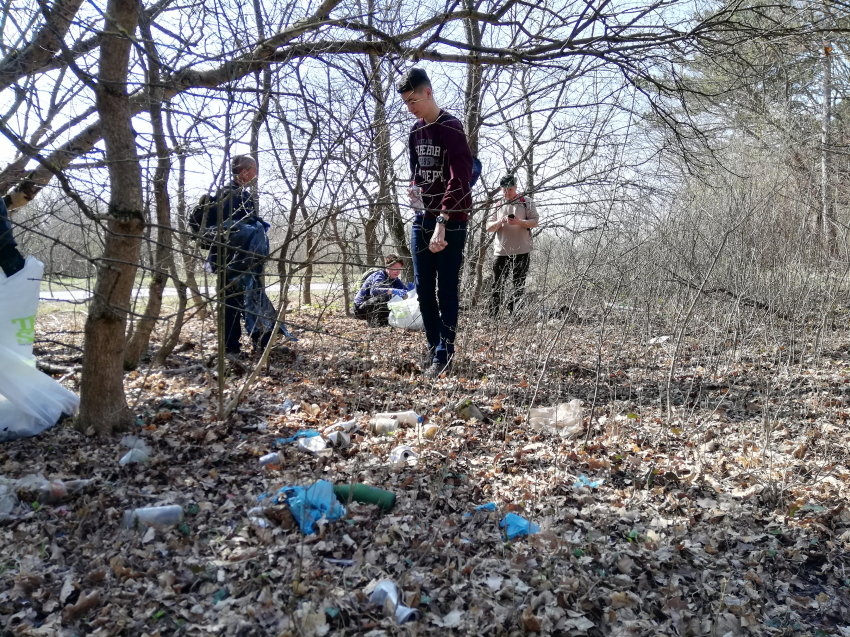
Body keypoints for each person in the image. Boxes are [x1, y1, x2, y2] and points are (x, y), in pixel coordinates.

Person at [397, 67, 473, 378]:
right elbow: (417, 173)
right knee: (424, 290)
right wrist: (415, 197)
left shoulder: (451, 128)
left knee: (447, 290)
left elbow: (460, 179)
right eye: (406, 103)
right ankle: (434, 350)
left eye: (414, 100)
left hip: (451, 222)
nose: (411, 108)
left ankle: (446, 353)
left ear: (428, 93)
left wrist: (442, 219)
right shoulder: (415, 133)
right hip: (422, 219)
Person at [190, 155, 292, 357]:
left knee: (250, 300)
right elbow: (234, 231)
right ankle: (232, 350)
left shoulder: (236, 195)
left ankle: (256, 344)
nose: (255, 174)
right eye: (254, 169)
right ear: (244, 172)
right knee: (232, 305)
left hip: (241, 262)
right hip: (234, 262)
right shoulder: (232, 196)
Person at [486, 173, 538, 317]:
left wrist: (519, 222)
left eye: (509, 189)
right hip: (500, 252)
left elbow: (534, 222)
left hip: (522, 251)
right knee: (497, 285)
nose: (507, 192)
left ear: (515, 187)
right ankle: (493, 317)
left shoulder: (526, 201)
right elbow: (488, 227)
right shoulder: (497, 204)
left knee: (518, 285)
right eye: (504, 189)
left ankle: (516, 315)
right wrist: (499, 222)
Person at [352, 254, 410, 326]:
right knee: (383, 297)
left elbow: (405, 291)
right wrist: (393, 290)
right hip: (360, 308)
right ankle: (377, 324)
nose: (398, 272)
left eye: (399, 269)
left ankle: (386, 323)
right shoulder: (379, 275)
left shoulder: (394, 279)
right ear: (387, 267)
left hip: (372, 306)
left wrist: (411, 290)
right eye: (395, 269)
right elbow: (374, 291)